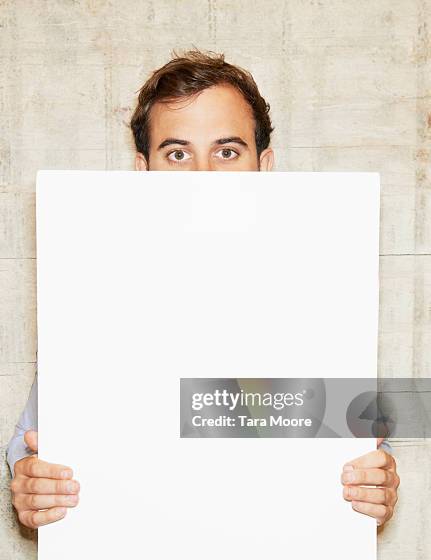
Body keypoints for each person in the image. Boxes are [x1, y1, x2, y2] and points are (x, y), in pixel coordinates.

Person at [7, 49, 399, 529]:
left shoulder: (319, 286)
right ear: (143, 169)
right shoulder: (95, 291)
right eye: (177, 154)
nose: (203, 177)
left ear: (264, 164)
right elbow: (30, 438)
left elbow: (356, 431)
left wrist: (376, 481)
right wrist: (29, 480)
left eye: (227, 152)